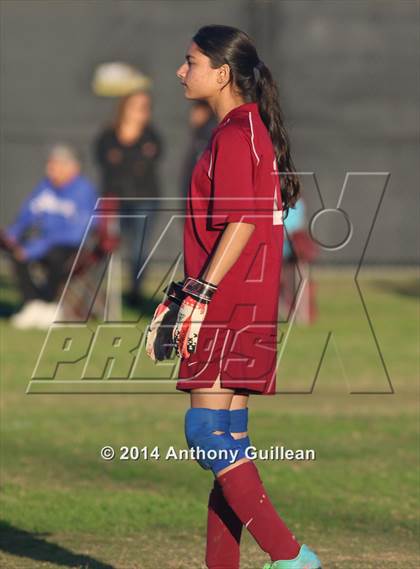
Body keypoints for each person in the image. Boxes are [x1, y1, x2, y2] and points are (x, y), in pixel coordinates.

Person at [145, 25, 322, 569]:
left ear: (222, 73)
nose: (182, 70)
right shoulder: (245, 130)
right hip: (242, 300)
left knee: (203, 432)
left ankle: (292, 558)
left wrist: (199, 293)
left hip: (229, 304)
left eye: (191, 61)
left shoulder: (236, 132)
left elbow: (243, 220)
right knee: (231, 447)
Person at [2, 144, 97, 329]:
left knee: (56, 255)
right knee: (16, 252)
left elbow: (77, 232)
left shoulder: (83, 191)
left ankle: (50, 305)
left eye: (55, 165)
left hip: (74, 246)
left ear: (72, 168)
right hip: (43, 243)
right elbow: (26, 217)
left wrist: (35, 248)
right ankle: (33, 304)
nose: (50, 170)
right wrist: (11, 237)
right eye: (50, 165)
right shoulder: (45, 187)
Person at [94, 89, 164, 306]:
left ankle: (135, 293)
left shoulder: (151, 136)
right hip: (116, 200)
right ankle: (100, 295)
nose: (140, 111)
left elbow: (149, 159)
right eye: (136, 106)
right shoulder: (109, 135)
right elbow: (106, 161)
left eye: (145, 107)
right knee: (109, 245)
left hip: (144, 199)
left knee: (139, 248)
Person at [180, 100, 218, 197]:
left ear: (205, 112)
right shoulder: (199, 132)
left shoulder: (208, 133)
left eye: (196, 112)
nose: (193, 116)